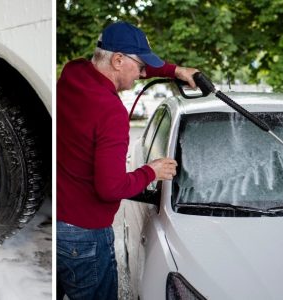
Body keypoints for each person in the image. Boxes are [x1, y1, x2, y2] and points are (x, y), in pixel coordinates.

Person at [57, 21, 198, 300]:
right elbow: (110, 188)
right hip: (85, 239)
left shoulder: (73, 73)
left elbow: (131, 64)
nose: (143, 74)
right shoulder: (111, 112)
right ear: (118, 60)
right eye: (141, 67)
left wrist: (176, 71)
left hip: (59, 224)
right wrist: (150, 171)